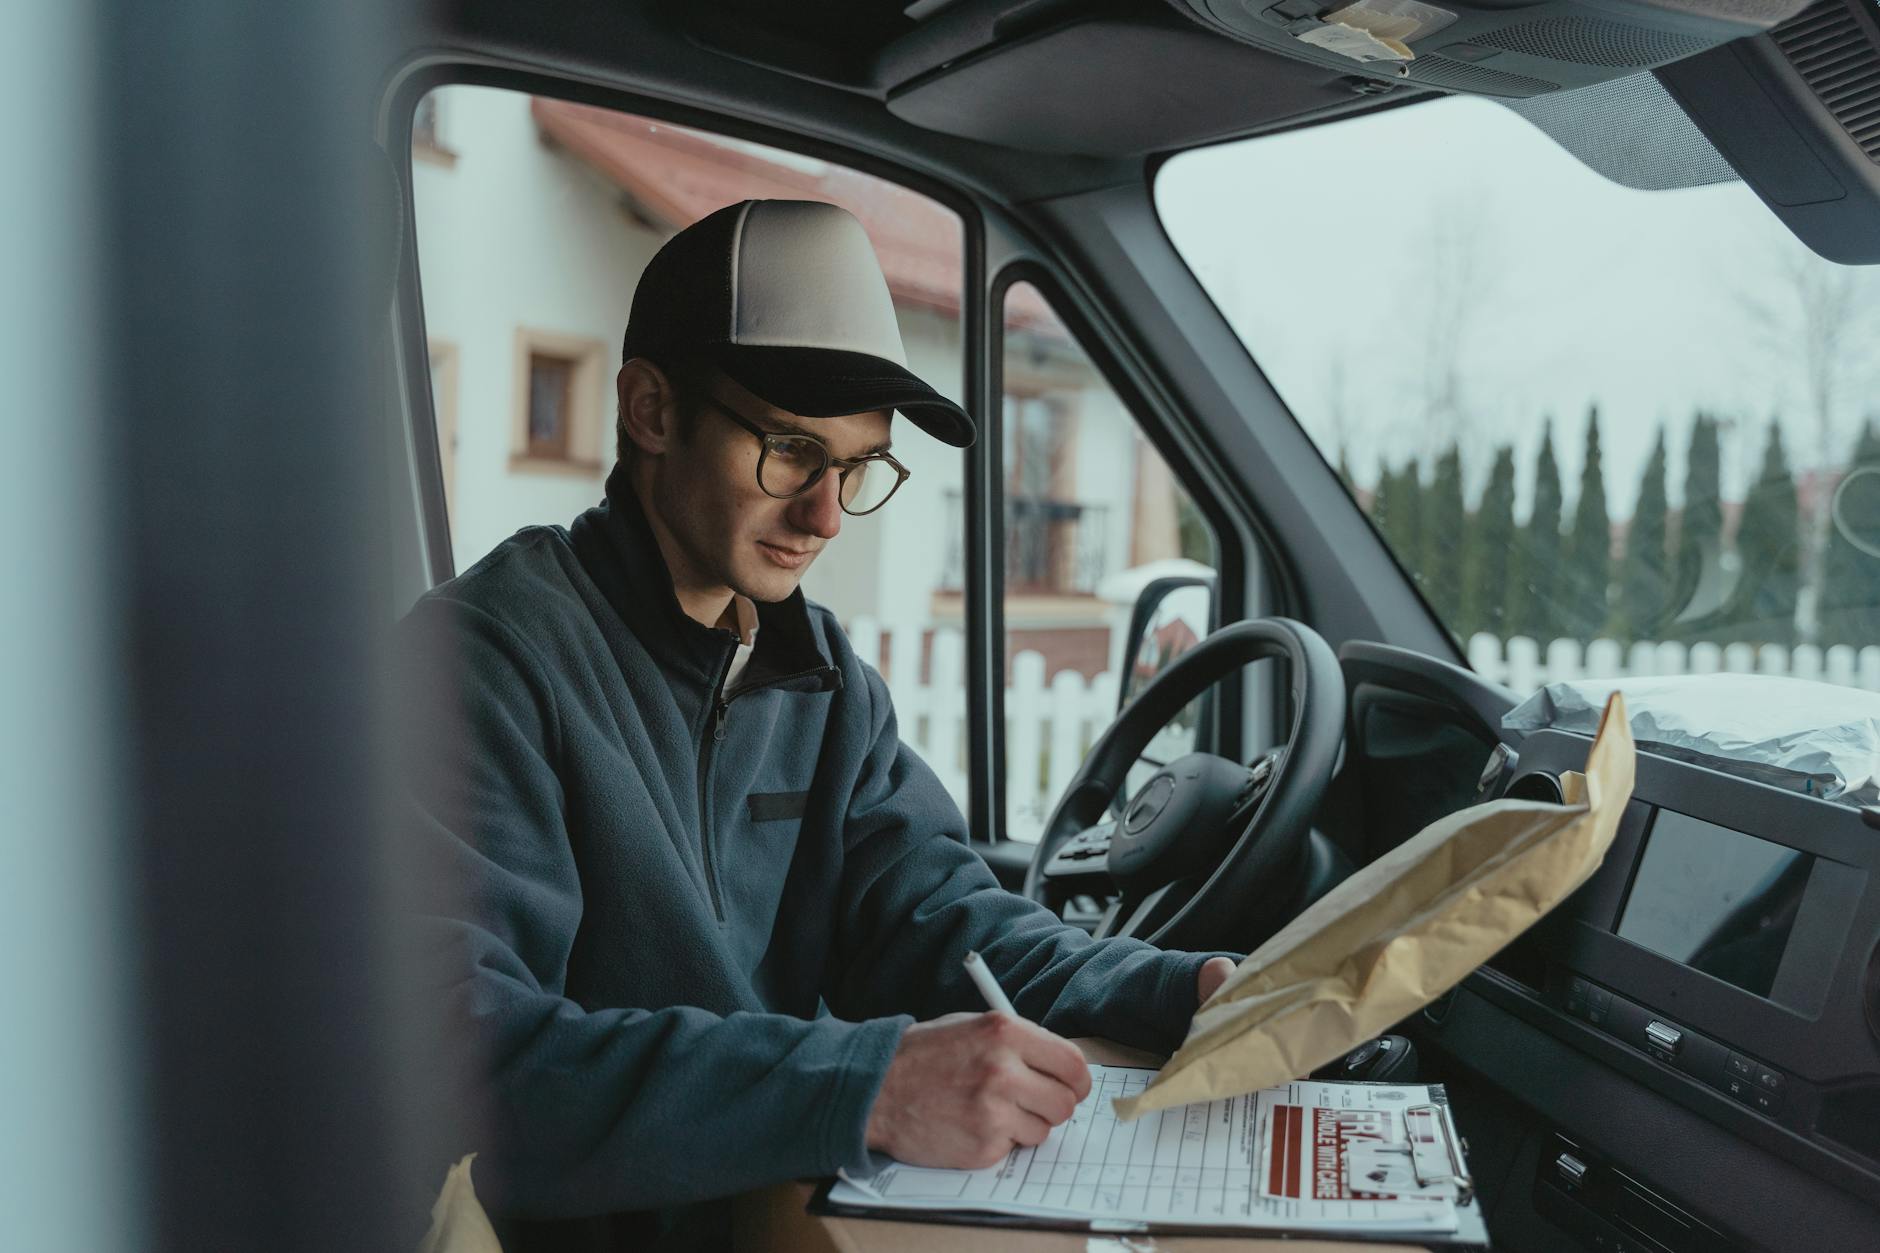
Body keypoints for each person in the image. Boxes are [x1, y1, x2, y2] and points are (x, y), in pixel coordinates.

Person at [399, 199, 1236, 1248]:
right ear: (650, 409)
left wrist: (1178, 987)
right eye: (791, 450)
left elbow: (942, 915)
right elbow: (462, 1062)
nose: (826, 515)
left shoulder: (823, 678)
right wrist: (863, 1085)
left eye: (857, 466)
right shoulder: (482, 664)